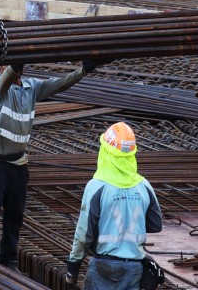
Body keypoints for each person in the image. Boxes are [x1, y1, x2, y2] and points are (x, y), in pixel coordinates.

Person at [0, 59, 100, 270]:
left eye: (9, 66)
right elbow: (8, 76)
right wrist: (15, 64)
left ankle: (8, 259)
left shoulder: (32, 88)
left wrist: (83, 71)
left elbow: (60, 84)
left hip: (18, 162)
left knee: (15, 215)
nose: (6, 70)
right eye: (5, 66)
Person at [65, 122, 163, 289]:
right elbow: (155, 224)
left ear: (106, 152)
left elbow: (83, 235)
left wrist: (72, 268)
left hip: (104, 266)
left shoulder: (96, 187)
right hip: (134, 268)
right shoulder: (144, 185)